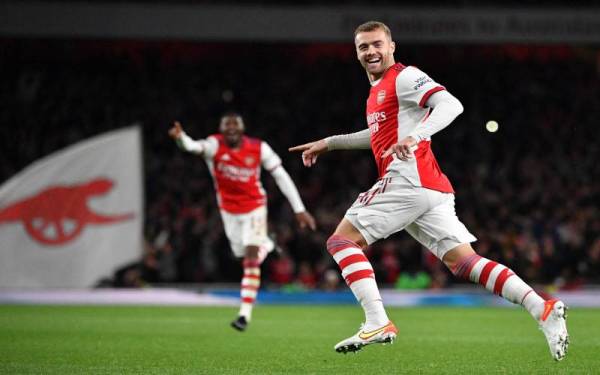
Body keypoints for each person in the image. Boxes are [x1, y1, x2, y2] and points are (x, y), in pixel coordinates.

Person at [290, 21, 569, 360]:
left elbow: (451, 105)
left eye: (377, 44)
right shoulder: (377, 91)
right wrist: (330, 143)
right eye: (363, 47)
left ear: (392, 46)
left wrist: (416, 136)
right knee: (464, 262)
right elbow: (377, 135)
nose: (371, 51)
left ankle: (377, 321)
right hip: (430, 187)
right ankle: (542, 308)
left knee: (341, 241)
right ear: (356, 53)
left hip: (408, 179)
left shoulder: (404, 77)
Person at [170, 112, 316, 331]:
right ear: (221, 129)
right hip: (229, 212)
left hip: (255, 207)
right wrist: (181, 138)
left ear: (242, 128)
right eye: (226, 125)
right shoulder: (214, 145)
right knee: (242, 255)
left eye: (235, 124)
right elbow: (192, 147)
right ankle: (267, 244)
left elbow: (281, 175)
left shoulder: (259, 148)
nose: (231, 128)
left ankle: (244, 315)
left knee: (249, 260)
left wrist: (299, 209)